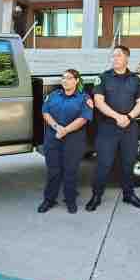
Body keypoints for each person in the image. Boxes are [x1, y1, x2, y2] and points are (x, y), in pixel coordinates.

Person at [86, 45, 140, 212]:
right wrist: (117, 117)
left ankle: (129, 195)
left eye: (118, 56)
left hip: (129, 127)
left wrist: (128, 117)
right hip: (108, 128)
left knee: (128, 163)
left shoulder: (135, 79)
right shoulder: (104, 77)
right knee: (103, 164)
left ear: (127, 58)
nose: (114, 59)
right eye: (113, 56)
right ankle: (96, 196)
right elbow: (98, 101)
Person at [38, 69, 93, 214]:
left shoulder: (84, 98)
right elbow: (45, 112)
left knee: (70, 171)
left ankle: (70, 200)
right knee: (53, 171)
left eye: (69, 78)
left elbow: (84, 118)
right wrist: (57, 127)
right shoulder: (54, 95)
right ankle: (49, 200)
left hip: (73, 140)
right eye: (63, 78)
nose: (65, 80)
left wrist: (65, 130)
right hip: (53, 138)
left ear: (76, 81)